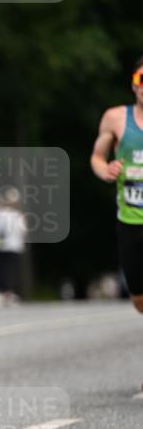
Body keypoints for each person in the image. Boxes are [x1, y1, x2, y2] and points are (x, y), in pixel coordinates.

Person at [90, 57, 143, 323]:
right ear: (134, 84)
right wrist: (107, 170)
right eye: (142, 79)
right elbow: (97, 158)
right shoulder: (116, 118)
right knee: (138, 297)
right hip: (131, 220)